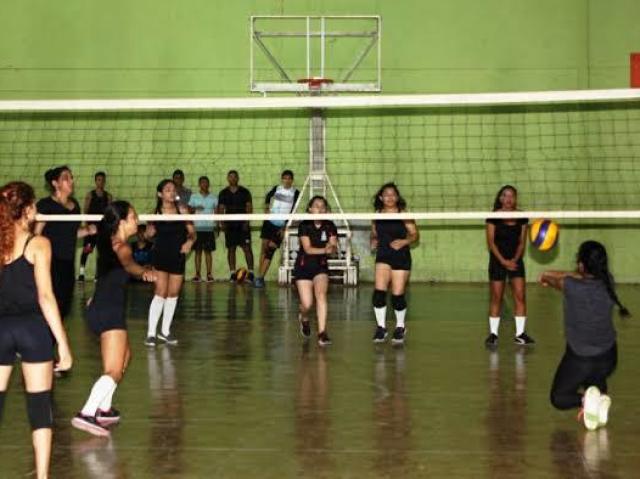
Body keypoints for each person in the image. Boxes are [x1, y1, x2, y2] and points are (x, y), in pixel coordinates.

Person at [0, 181, 73, 478]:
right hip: (32, 330)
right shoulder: (39, 245)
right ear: (28, 209)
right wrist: (64, 344)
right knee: (39, 406)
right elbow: (45, 296)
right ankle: (42, 476)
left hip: (1, 329)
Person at [72, 201, 155, 436]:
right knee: (114, 370)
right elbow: (129, 265)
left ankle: (104, 408)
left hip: (102, 307)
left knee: (125, 356)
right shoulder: (121, 247)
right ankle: (87, 412)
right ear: (121, 222)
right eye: (134, 217)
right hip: (108, 311)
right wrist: (146, 273)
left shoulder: (108, 242)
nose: (137, 221)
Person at [541, 241, 629, 431]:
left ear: (581, 265)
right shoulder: (609, 281)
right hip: (609, 358)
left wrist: (547, 276)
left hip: (582, 360)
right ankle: (600, 398)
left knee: (559, 397)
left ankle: (585, 401)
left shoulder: (572, 286)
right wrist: (575, 272)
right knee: (594, 377)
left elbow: (548, 277)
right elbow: (572, 277)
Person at [35, 166, 97, 319]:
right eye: (66, 178)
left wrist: (88, 230)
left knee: (64, 306)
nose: (71, 180)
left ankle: (54, 339)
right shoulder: (45, 204)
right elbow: (35, 234)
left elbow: (71, 234)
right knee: (49, 303)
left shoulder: (74, 205)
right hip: (49, 261)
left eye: (72, 177)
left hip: (67, 261)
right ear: (55, 183)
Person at [144, 179, 195, 346]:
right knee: (160, 293)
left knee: (173, 294)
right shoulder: (156, 213)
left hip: (177, 256)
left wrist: (189, 243)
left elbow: (193, 234)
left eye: (173, 190)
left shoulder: (182, 210)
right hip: (160, 256)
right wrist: (148, 234)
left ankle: (165, 332)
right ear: (160, 194)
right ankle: (151, 333)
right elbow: (146, 236)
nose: (172, 192)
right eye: (168, 190)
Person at [484, 185, 534, 347]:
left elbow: (522, 242)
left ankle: (520, 334)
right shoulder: (492, 217)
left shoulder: (522, 216)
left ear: (516, 198)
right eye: (505, 195)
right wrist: (504, 261)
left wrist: (514, 260)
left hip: (516, 260)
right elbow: (491, 243)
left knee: (520, 296)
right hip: (497, 260)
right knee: (496, 298)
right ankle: (493, 334)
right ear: (500, 198)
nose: (508, 199)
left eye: (512, 196)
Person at [370, 183, 419, 345]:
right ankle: (381, 327)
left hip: (400, 255)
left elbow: (414, 235)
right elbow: (374, 233)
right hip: (383, 255)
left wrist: (404, 241)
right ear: (381, 197)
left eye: (393, 194)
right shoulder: (377, 214)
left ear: (397, 198)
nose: (390, 197)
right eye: (386, 194)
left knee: (397, 295)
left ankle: (400, 327)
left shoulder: (403, 214)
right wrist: (374, 241)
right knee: (379, 293)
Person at [294, 196, 338, 346]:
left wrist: (331, 249)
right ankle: (304, 318)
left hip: (321, 267)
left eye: (323, 206)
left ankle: (322, 333)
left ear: (326, 210)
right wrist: (325, 249)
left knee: (321, 295)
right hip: (303, 266)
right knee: (307, 304)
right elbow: (308, 249)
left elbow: (333, 248)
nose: (319, 208)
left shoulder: (330, 225)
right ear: (310, 209)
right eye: (316, 205)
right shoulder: (304, 225)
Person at [254, 170, 300, 288]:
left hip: (280, 226)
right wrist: (266, 208)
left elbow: (293, 211)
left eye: (289, 178)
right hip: (269, 222)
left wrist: (284, 226)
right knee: (264, 249)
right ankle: (260, 276)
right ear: (282, 179)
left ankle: (260, 278)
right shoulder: (277, 188)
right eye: (285, 178)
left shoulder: (295, 193)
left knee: (271, 250)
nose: (287, 180)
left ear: (292, 180)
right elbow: (268, 197)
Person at [218, 170, 254, 282]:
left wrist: (247, 222)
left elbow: (249, 207)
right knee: (231, 249)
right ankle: (233, 273)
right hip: (230, 225)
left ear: (237, 178)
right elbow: (221, 209)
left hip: (242, 224)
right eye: (230, 177)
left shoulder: (245, 192)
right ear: (228, 179)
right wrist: (222, 223)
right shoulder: (223, 193)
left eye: (234, 177)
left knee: (247, 248)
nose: (232, 179)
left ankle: (251, 273)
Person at [79, 171, 112, 282]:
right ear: (95, 181)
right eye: (98, 180)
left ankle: (98, 274)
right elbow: (85, 210)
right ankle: (81, 273)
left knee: (101, 252)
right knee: (87, 249)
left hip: (103, 228)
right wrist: (86, 226)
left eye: (102, 180)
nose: (100, 182)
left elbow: (110, 212)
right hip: (91, 228)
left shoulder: (108, 196)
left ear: (104, 182)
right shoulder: (90, 195)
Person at [188, 176, 218, 282]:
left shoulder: (214, 197)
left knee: (208, 252)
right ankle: (197, 274)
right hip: (197, 228)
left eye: (206, 182)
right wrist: (196, 208)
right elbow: (189, 209)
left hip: (209, 228)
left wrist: (216, 227)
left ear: (208, 184)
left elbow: (217, 213)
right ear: (199, 184)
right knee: (198, 251)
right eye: (202, 182)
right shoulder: (194, 196)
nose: (204, 184)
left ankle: (209, 274)